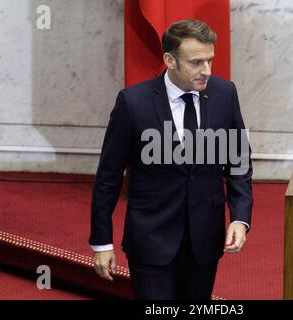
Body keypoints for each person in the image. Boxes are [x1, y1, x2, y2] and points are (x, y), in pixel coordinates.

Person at [89, 19, 253, 300]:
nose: (207, 71)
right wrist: (102, 241)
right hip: (151, 237)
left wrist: (240, 217)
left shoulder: (225, 93)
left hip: (205, 237)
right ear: (170, 60)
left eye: (210, 61)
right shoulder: (133, 102)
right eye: (196, 62)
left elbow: (238, 160)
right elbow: (108, 177)